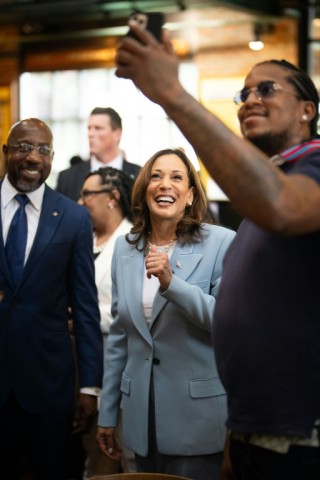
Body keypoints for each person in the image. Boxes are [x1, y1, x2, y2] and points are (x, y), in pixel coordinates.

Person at [114, 22, 320, 480]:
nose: (250, 99)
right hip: (253, 429)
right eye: (243, 93)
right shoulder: (258, 201)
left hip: (304, 433)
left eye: (267, 88)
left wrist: (173, 95)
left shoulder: (311, 169)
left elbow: (283, 206)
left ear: (307, 109)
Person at [96, 148, 235, 480]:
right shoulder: (125, 248)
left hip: (197, 415)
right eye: (156, 176)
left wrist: (172, 283)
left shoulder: (221, 242)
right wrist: (107, 412)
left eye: (176, 178)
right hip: (139, 418)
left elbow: (226, 323)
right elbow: (120, 336)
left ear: (189, 195)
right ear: (145, 190)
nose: (164, 184)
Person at [0, 118, 103, 480]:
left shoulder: (74, 218)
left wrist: (89, 387)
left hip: (49, 386)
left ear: (52, 157)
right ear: (6, 152)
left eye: (43, 150)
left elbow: (87, 308)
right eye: (24, 146)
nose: (34, 157)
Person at [79, 166, 137, 477]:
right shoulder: (85, 239)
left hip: (119, 365)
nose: (80, 201)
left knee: (119, 456)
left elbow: (133, 310)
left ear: (112, 197)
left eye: (87, 194)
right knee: (92, 452)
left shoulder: (131, 242)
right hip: (84, 367)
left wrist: (82, 316)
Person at [56, 107, 141, 201]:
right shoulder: (68, 177)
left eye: (98, 128)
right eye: (89, 128)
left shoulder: (139, 176)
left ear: (117, 134)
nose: (90, 134)